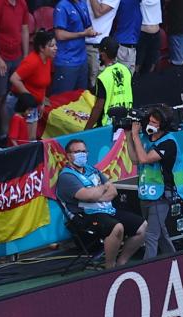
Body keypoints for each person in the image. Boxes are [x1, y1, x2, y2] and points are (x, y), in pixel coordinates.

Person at [55, 136, 143, 269]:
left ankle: (121, 263)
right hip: (84, 216)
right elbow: (88, 196)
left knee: (143, 227)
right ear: (68, 156)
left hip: (106, 210)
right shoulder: (67, 177)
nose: (82, 154)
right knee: (117, 227)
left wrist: (98, 194)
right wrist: (103, 188)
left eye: (84, 151)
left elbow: (113, 191)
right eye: (78, 152)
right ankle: (110, 267)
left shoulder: (92, 170)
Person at [128, 104, 176, 258]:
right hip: (146, 192)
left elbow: (144, 158)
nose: (150, 125)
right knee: (160, 232)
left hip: (161, 194)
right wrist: (129, 136)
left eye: (155, 123)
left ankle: (149, 269)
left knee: (151, 235)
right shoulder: (145, 139)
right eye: (150, 121)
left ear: (163, 125)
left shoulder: (168, 143)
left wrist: (135, 136)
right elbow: (135, 160)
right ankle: (174, 259)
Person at [0, 0, 29, 141]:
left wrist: (25, 57)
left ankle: (5, 133)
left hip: (15, 55)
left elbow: (25, 29)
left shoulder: (22, 4)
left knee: (8, 96)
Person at [7, 28, 55, 135]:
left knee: (32, 139)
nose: (55, 48)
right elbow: (14, 78)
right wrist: (29, 98)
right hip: (21, 104)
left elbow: (43, 84)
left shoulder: (47, 60)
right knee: (23, 138)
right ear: (42, 48)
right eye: (51, 46)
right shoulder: (32, 61)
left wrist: (41, 102)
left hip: (33, 104)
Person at [84, 36, 130, 129]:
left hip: (107, 125)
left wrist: (86, 130)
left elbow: (98, 107)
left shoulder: (103, 77)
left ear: (103, 54)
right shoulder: (125, 70)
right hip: (125, 120)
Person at [49, 0, 92, 95]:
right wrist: (83, 34)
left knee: (80, 99)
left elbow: (88, 26)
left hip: (82, 59)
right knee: (62, 100)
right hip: (66, 61)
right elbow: (59, 34)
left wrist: (91, 32)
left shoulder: (83, 3)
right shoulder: (62, 6)